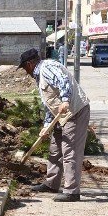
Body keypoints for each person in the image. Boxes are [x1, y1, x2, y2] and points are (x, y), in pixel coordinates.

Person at [18, 48, 90, 202]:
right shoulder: (40, 75)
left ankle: (72, 192)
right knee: (55, 149)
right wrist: (46, 125)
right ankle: (52, 183)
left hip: (75, 111)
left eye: (24, 67)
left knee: (70, 151)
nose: (25, 72)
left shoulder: (47, 68)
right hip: (61, 114)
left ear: (30, 64)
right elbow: (50, 103)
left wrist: (65, 100)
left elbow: (63, 81)